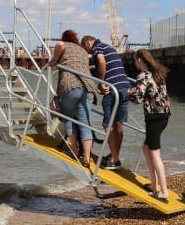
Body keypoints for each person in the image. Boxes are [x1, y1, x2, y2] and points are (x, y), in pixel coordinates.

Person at [128, 49, 171, 201]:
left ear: (140, 60)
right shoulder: (158, 73)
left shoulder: (142, 75)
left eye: (135, 60)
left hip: (153, 118)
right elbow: (153, 92)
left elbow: (137, 99)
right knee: (146, 148)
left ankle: (163, 191)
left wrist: (129, 92)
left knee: (154, 153)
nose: (135, 63)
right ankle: (154, 184)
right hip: (164, 115)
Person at [81, 35, 130, 168]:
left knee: (107, 125)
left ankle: (115, 160)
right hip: (125, 88)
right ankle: (115, 157)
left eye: (86, 49)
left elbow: (101, 62)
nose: (88, 52)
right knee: (119, 125)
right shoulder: (110, 48)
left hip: (113, 89)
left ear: (87, 43)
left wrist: (102, 83)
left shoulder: (98, 47)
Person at [49, 29, 96, 168]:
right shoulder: (82, 50)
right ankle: (87, 157)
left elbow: (59, 45)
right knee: (85, 122)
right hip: (88, 86)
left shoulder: (64, 45)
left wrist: (54, 61)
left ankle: (75, 151)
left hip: (70, 85)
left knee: (68, 118)